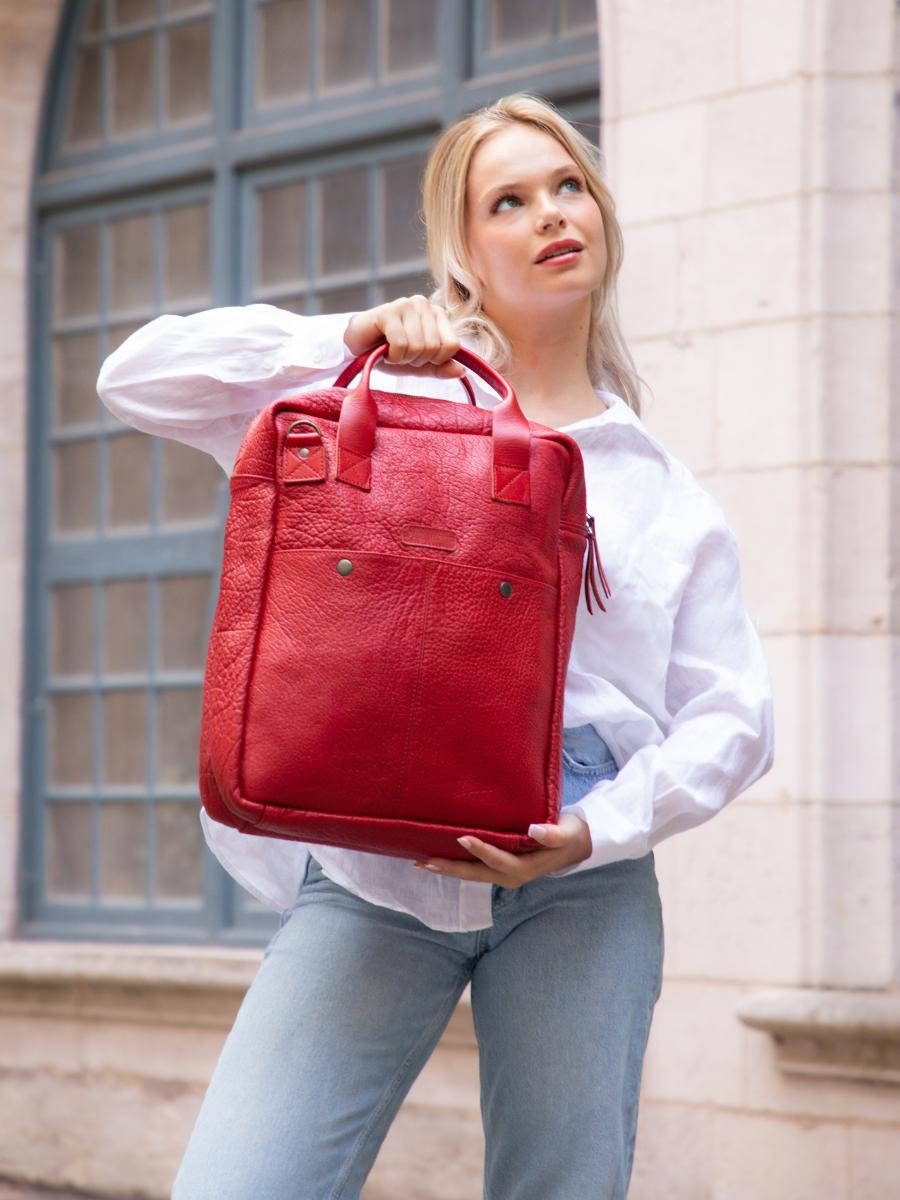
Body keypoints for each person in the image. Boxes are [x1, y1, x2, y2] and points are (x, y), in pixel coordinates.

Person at [96, 92, 774, 1200]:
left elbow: (736, 717)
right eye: (509, 200)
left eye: (569, 188)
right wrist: (345, 336)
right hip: (373, 871)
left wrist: (596, 829)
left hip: (578, 877)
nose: (554, 215)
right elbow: (132, 378)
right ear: (463, 249)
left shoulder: (664, 493)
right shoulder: (378, 400)